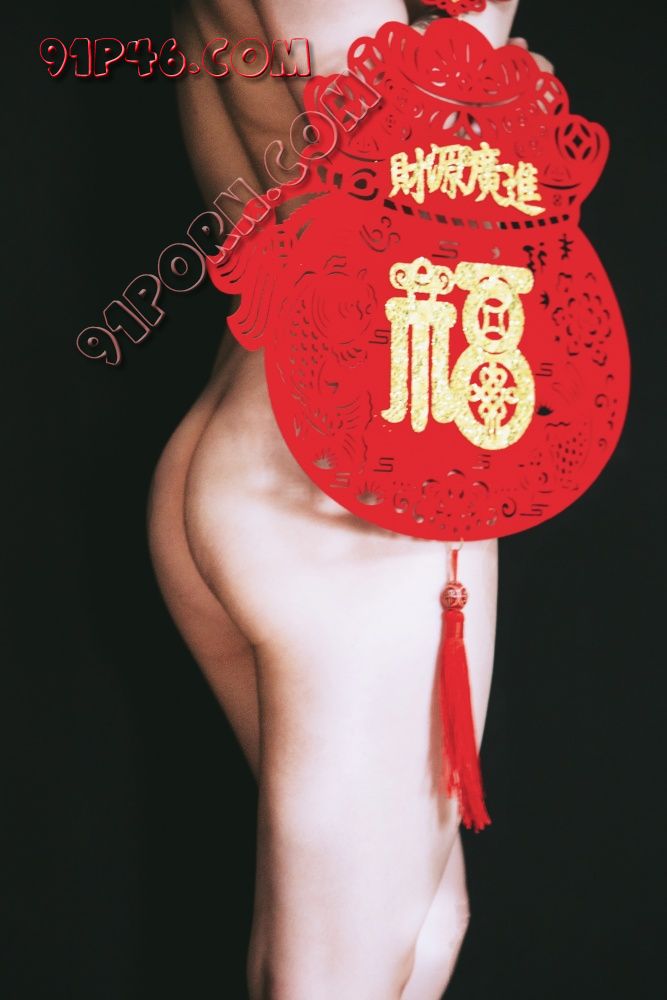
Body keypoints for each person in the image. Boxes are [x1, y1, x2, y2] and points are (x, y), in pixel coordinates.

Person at [148, 2, 552, 996]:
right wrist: (512, 116)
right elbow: (402, 167)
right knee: (354, 969)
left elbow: (265, 201)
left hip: (279, 442)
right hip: (350, 484)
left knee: (419, 931)